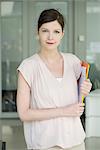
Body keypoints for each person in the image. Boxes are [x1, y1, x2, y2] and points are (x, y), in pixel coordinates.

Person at [17, 9, 92, 150]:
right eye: (45, 30)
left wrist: (85, 88)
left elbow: (77, 97)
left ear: (62, 34)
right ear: (37, 32)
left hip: (76, 141)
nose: (50, 36)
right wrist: (64, 111)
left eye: (56, 31)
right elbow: (24, 114)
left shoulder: (74, 62)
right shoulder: (28, 67)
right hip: (44, 144)